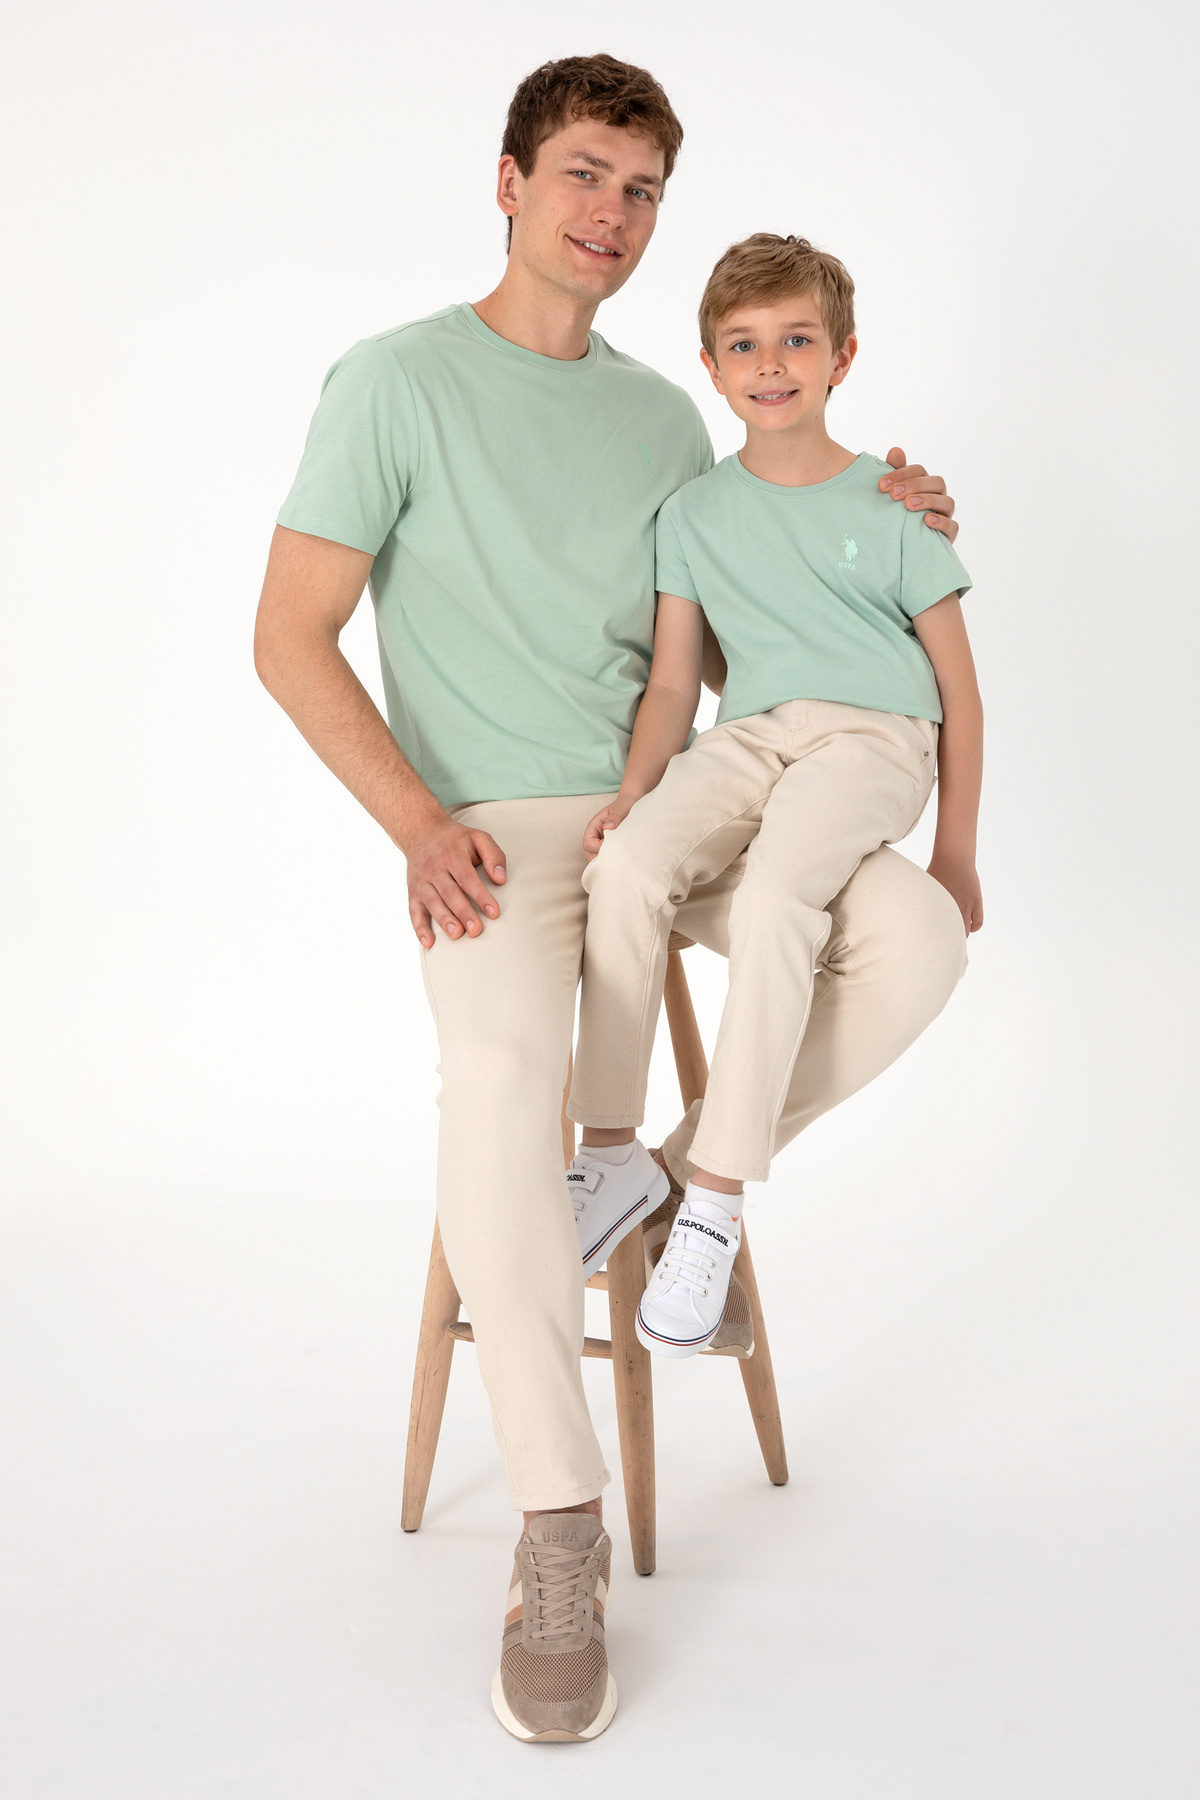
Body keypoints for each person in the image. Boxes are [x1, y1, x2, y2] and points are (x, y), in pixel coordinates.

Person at [253, 54, 966, 1745]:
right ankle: (557, 1527)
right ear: (508, 182)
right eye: (582, 175)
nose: (612, 214)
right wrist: (418, 824)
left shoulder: (664, 416)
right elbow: (287, 637)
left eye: (642, 191)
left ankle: (667, 1175)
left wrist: (886, 521)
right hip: (492, 834)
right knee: (504, 1083)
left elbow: (719, 632)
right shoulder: (397, 381)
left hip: (671, 805)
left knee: (918, 936)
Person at [568, 233, 983, 1363]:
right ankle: (609, 1153)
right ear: (711, 366)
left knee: (776, 898)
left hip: (872, 735)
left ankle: (710, 1201)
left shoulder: (895, 505)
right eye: (744, 345)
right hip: (752, 733)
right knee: (629, 863)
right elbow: (673, 683)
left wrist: (956, 852)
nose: (771, 364)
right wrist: (637, 793)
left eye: (797, 340)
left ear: (841, 357)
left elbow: (958, 689)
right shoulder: (694, 514)